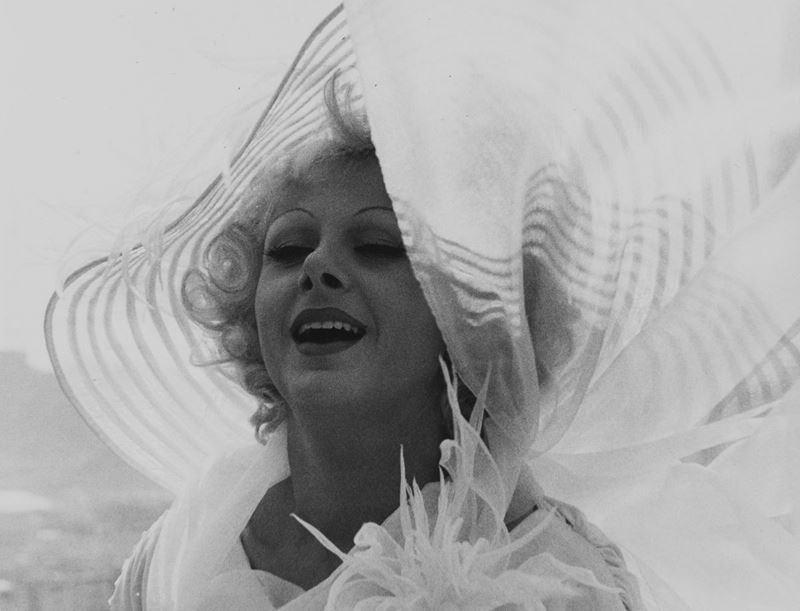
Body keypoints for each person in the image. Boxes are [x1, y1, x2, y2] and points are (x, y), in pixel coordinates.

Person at [46, 1, 800, 609]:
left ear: (470, 322)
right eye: (287, 247)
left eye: (379, 246)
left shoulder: (549, 581)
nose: (318, 267)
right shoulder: (180, 552)